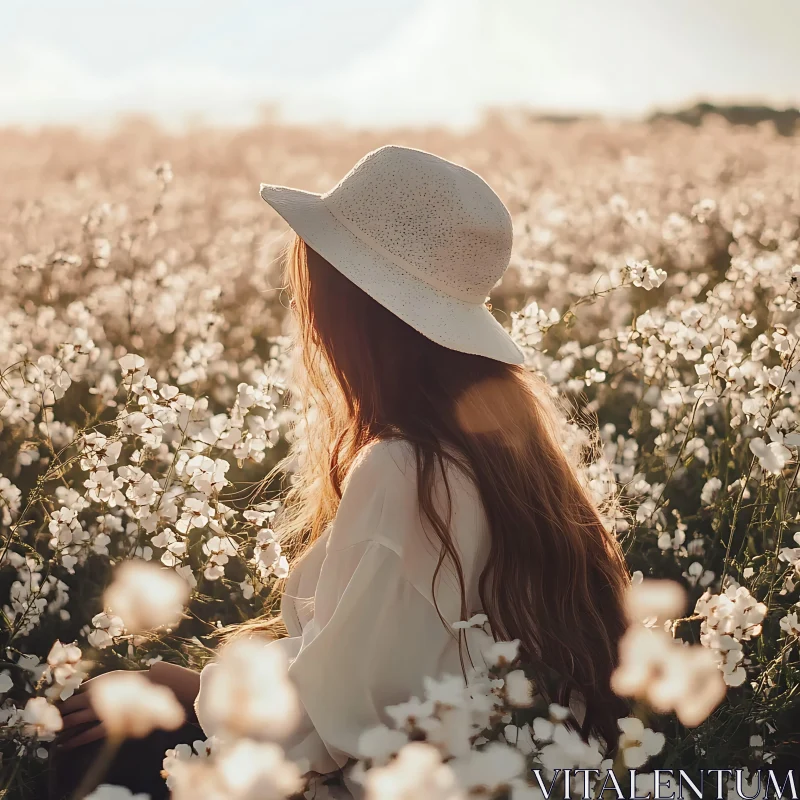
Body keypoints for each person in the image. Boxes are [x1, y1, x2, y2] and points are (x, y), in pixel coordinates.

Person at [54, 145, 630, 798]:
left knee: (99, 734)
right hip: (515, 771)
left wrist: (184, 687)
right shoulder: (513, 452)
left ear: (349, 312)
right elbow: (385, 668)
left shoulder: (406, 469)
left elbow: (342, 717)